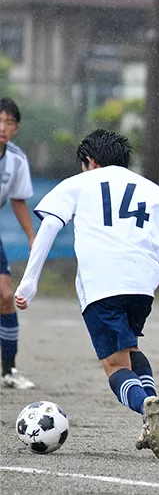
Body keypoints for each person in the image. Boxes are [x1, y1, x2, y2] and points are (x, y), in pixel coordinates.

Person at [14, 129, 159, 460]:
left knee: (115, 365)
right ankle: (151, 413)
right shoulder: (153, 190)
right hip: (143, 287)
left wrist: (28, 284)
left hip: (102, 285)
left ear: (90, 161)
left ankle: (144, 406)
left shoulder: (79, 183)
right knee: (130, 349)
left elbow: (49, 228)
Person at [0, 97, 36, 389]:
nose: (3, 127)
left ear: (16, 129)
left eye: (9, 122)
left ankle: (9, 370)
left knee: (5, 295)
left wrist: (33, 237)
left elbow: (19, 201)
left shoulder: (16, 159)